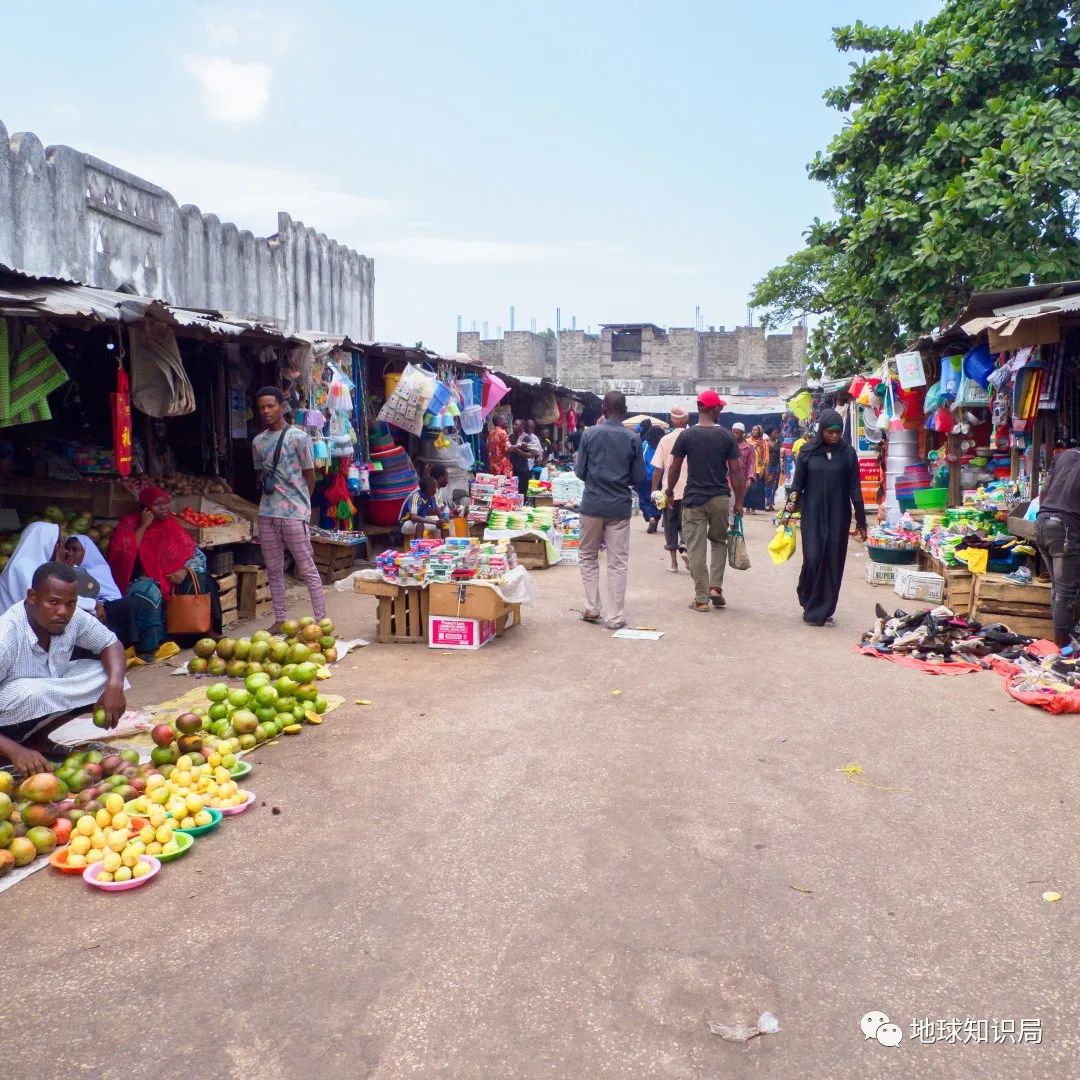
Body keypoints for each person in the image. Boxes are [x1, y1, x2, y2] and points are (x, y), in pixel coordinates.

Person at [0, 561, 127, 774]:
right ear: (32, 597)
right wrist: (15, 751)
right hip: (11, 708)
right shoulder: (6, 637)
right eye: (54, 602)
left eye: (71, 603)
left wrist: (115, 686)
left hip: (44, 686)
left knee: (104, 675)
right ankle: (11, 749)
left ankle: (36, 740)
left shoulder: (71, 617)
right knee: (34, 693)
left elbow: (110, 643)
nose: (63, 612)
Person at [108, 486, 220, 659]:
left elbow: (194, 554)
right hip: (140, 580)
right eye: (157, 504)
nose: (163, 508)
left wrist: (185, 571)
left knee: (204, 578)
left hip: (171, 576)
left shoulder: (170, 525)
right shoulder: (130, 524)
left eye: (165, 503)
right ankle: (150, 646)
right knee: (148, 592)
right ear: (145, 508)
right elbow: (125, 553)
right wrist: (144, 526)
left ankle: (206, 632)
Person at [252, 386, 327, 634]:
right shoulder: (258, 442)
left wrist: (302, 503)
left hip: (294, 513)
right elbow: (261, 474)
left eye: (270, 406)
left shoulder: (299, 438)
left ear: (282, 407)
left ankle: (321, 619)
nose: (266, 411)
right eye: (262, 407)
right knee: (273, 569)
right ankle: (280, 618)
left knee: (307, 568)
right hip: (267, 513)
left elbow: (310, 476)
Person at [787, 408, 867, 626]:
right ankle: (808, 595)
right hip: (812, 513)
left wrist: (861, 520)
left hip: (838, 515)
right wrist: (787, 516)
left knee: (832, 560)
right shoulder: (807, 452)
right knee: (812, 558)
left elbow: (855, 489)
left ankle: (822, 610)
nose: (834, 436)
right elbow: (797, 487)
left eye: (838, 432)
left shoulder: (848, 453)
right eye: (830, 432)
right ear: (821, 430)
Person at [665, 391, 744, 612]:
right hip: (719, 498)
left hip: (693, 500)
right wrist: (739, 501)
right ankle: (715, 588)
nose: (721, 411)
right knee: (719, 541)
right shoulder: (727, 436)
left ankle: (701, 598)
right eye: (720, 407)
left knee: (695, 548)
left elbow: (675, 468)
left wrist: (669, 492)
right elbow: (736, 470)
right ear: (713, 409)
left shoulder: (686, 436)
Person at [574, 391, 644, 629]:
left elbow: (580, 471)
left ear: (603, 409)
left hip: (592, 504)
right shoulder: (633, 438)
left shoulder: (589, 434)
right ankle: (615, 617)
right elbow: (639, 477)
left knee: (587, 556)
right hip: (619, 506)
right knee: (617, 562)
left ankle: (592, 609)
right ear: (624, 411)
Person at [1035, 446, 1080, 646]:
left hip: (1043, 523)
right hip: (1064, 530)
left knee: (1058, 589)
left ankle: (1061, 643)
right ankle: (1062, 650)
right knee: (1065, 591)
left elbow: (1044, 490)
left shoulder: (1065, 456)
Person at [650, 407, 690, 572]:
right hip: (690, 490)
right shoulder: (693, 438)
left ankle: (673, 564)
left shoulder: (665, 440)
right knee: (688, 524)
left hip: (669, 491)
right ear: (687, 420)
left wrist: (654, 491)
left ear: (673, 421)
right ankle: (686, 547)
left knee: (670, 525)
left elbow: (658, 469)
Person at [399, 475, 447, 544]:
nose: (436, 490)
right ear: (428, 489)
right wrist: (434, 522)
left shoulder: (431, 496)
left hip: (419, 520)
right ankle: (418, 550)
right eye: (434, 487)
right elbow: (414, 518)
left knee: (443, 524)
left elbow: (439, 514)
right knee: (420, 525)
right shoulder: (416, 496)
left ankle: (443, 546)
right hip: (406, 523)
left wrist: (451, 515)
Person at [509, 419, 542, 498]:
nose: (514, 426)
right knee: (512, 490)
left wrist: (521, 453)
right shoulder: (510, 437)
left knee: (522, 491)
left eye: (517, 425)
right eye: (514, 424)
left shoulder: (526, 438)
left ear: (522, 427)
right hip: (512, 468)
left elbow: (533, 454)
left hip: (523, 469)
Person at [765, 430, 782, 511]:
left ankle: (771, 503)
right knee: (768, 485)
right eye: (775, 433)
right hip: (769, 466)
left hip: (777, 466)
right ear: (770, 433)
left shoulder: (778, 443)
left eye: (777, 433)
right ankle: (767, 503)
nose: (777, 434)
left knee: (775, 485)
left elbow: (779, 455)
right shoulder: (766, 442)